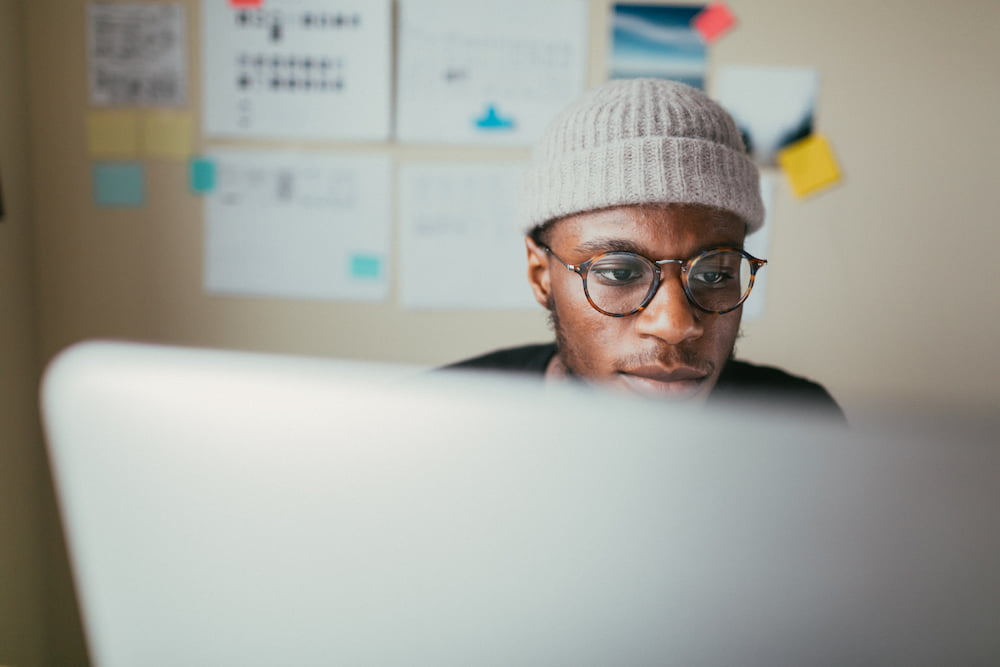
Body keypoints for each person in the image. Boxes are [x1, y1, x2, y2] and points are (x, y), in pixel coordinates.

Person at [445, 78, 843, 422]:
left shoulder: (800, 420)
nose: (675, 324)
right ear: (540, 275)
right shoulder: (444, 419)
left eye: (715, 274)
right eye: (619, 272)